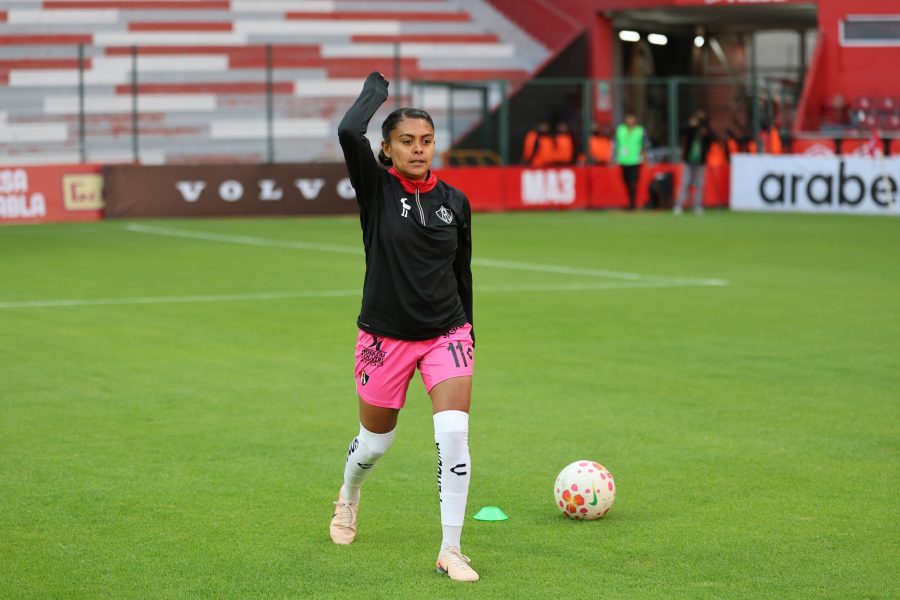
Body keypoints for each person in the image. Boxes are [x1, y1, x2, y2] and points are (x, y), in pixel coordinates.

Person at [333, 71, 479, 583]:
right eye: (407, 142)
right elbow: (350, 132)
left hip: (446, 332)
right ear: (388, 149)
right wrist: (375, 94)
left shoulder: (455, 203)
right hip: (384, 337)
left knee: (454, 434)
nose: (419, 150)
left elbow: (462, 274)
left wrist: (469, 334)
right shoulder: (374, 190)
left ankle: (451, 549)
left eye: (427, 141)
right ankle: (349, 494)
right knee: (375, 444)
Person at [674, 111, 715, 215]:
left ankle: (697, 205)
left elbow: (713, 138)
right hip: (689, 160)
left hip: (700, 161)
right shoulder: (691, 129)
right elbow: (681, 131)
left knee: (699, 183)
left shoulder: (706, 129)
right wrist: (691, 125)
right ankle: (679, 205)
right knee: (685, 182)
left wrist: (705, 132)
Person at [614, 111, 648, 210]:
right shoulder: (620, 130)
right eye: (628, 118)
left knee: (633, 183)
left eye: (631, 118)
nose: (629, 120)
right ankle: (630, 202)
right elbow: (615, 144)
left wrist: (645, 159)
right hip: (623, 160)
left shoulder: (640, 130)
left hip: (635, 160)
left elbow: (644, 146)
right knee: (626, 182)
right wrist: (613, 158)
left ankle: (632, 204)